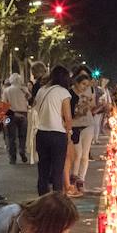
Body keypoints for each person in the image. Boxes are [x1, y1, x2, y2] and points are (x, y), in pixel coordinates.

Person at [34, 65, 72, 196]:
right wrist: (69, 133)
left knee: (43, 169)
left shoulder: (41, 90)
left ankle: (42, 199)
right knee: (57, 170)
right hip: (58, 134)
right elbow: (67, 117)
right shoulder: (63, 92)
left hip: (41, 133)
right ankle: (57, 201)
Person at [70, 72, 96, 195]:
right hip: (75, 126)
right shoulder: (70, 93)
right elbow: (69, 112)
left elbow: (93, 107)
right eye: (83, 84)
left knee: (85, 155)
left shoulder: (89, 92)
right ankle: (73, 181)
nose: (85, 87)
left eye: (87, 84)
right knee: (77, 154)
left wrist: (91, 105)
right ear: (77, 83)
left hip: (88, 124)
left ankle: (81, 181)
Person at [3, 73, 30, 164]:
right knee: (23, 135)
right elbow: (30, 100)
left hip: (11, 115)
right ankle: (22, 150)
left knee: (11, 137)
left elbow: (4, 104)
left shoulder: (6, 90)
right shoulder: (24, 89)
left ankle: (12, 157)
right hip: (23, 113)